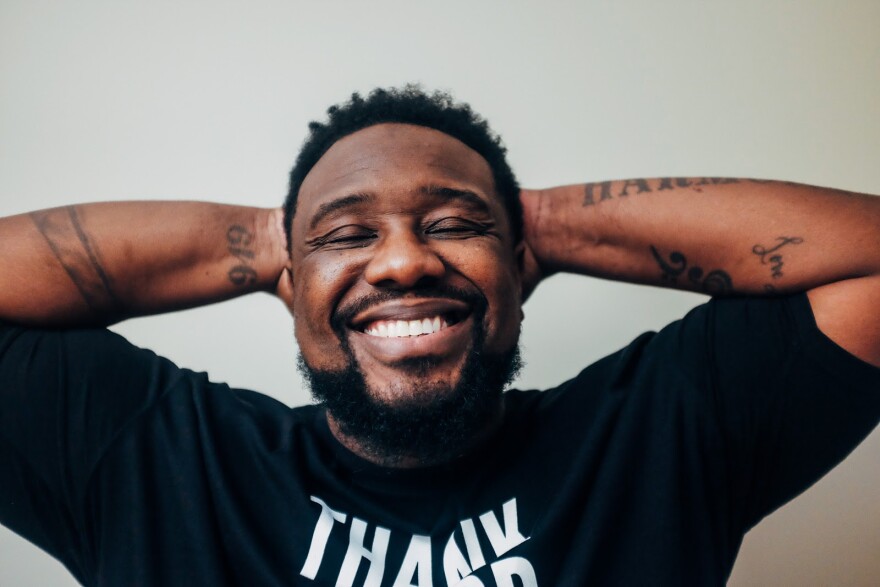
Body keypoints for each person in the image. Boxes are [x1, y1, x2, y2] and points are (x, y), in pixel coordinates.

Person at [0, 86, 878, 586]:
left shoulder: (657, 436)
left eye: (454, 225)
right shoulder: (155, 457)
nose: (403, 263)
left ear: (521, 266)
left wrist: (537, 221)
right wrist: (274, 240)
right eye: (348, 236)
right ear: (286, 284)